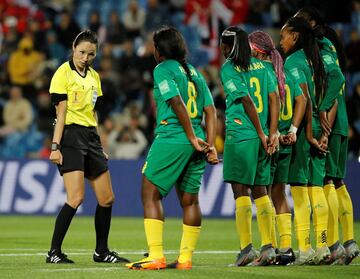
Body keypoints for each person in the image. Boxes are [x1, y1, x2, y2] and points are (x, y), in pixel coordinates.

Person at [126, 26, 218, 270]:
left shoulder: (162, 69)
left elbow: (176, 101)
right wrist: (209, 144)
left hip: (173, 137)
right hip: (198, 141)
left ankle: (155, 255)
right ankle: (185, 259)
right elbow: (211, 110)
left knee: (150, 192)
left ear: (159, 50)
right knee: (190, 201)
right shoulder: (195, 73)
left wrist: (189, 136)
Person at [46, 30, 129, 264]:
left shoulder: (94, 77)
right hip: (70, 137)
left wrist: (98, 145)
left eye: (90, 54)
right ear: (73, 48)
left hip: (91, 137)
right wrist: (55, 146)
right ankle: (53, 252)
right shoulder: (62, 74)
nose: (85, 57)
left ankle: (101, 252)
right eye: (81, 52)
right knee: (76, 198)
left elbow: (92, 113)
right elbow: (60, 114)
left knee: (107, 198)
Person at [295, 7, 360, 265]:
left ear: (311, 25)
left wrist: (323, 111)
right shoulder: (330, 48)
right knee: (337, 180)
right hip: (340, 120)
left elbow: (336, 77)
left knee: (327, 183)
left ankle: (332, 243)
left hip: (330, 121)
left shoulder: (322, 48)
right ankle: (348, 241)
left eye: (300, 21)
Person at [219, 26, 280, 267]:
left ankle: (246, 249)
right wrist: (271, 132)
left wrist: (259, 131)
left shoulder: (229, 69)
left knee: (240, 191)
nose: (222, 50)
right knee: (261, 190)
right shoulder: (264, 67)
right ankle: (268, 247)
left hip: (241, 134)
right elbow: (275, 98)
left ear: (231, 46)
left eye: (224, 45)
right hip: (263, 136)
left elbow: (245, 100)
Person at [248, 30, 307, 265]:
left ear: (257, 52)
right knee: (279, 194)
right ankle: (286, 247)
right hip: (286, 142)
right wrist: (293, 130)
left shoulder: (264, 74)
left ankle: (269, 247)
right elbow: (302, 99)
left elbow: (264, 107)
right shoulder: (284, 74)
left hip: (270, 141)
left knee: (263, 194)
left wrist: (272, 133)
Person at [280, 16, 335, 265]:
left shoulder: (293, 61)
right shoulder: (318, 61)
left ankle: (305, 249)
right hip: (319, 129)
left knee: (300, 193)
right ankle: (323, 246)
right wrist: (326, 131)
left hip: (303, 132)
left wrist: (306, 133)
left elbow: (302, 98)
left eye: (283, 36)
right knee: (317, 190)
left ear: (295, 36)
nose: (280, 42)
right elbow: (332, 95)